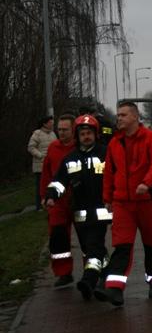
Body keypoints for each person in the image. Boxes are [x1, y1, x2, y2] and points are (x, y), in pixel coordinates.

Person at [95, 101, 152, 306]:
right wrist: (107, 198)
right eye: (118, 115)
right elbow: (109, 172)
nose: (119, 119)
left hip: (147, 201)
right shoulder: (115, 143)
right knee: (122, 244)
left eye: (123, 115)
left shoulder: (150, 139)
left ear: (135, 117)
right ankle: (115, 289)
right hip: (123, 203)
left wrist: (147, 183)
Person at [45, 114, 111, 299]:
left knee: (93, 246)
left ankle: (88, 280)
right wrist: (51, 195)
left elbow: (117, 175)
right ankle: (105, 277)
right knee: (92, 248)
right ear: (78, 136)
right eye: (83, 133)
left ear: (95, 134)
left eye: (89, 133)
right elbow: (59, 181)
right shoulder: (70, 158)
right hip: (80, 213)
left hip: (101, 212)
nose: (86, 136)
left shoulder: (106, 153)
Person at [40, 114, 76, 287]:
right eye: (59, 129)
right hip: (58, 201)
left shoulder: (80, 147)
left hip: (78, 199)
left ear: (73, 130)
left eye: (65, 129)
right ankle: (63, 272)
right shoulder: (53, 148)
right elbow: (46, 173)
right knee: (58, 236)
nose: (61, 133)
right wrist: (45, 196)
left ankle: (92, 273)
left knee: (87, 237)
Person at [27, 115, 57, 210]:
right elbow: (31, 147)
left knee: (52, 184)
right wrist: (40, 156)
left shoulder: (53, 134)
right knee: (40, 186)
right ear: (45, 124)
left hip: (51, 164)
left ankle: (51, 202)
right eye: (50, 122)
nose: (52, 124)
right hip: (40, 165)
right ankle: (39, 206)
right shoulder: (37, 133)